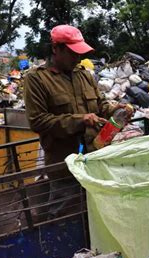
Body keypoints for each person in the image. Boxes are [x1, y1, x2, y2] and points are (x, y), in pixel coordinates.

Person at [24, 24, 131, 218]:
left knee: (98, 212)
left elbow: (100, 106)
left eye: (80, 53)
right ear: (56, 49)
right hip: (64, 165)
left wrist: (116, 109)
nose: (78, 58)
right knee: (65, 215)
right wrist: (80, 120)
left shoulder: (84, 75)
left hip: (95, 158)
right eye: (73, 53)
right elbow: (38, 121)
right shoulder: (37, 80)